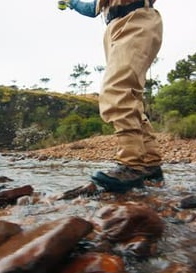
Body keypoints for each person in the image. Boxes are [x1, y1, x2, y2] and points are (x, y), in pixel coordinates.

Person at [63, 0, 164, 192]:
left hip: (136, 19)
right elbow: (93, 9)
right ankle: (150, 166)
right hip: (116, 25)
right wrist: (72, 3)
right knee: (128, 97)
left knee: (117, 90)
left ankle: (131, 165)